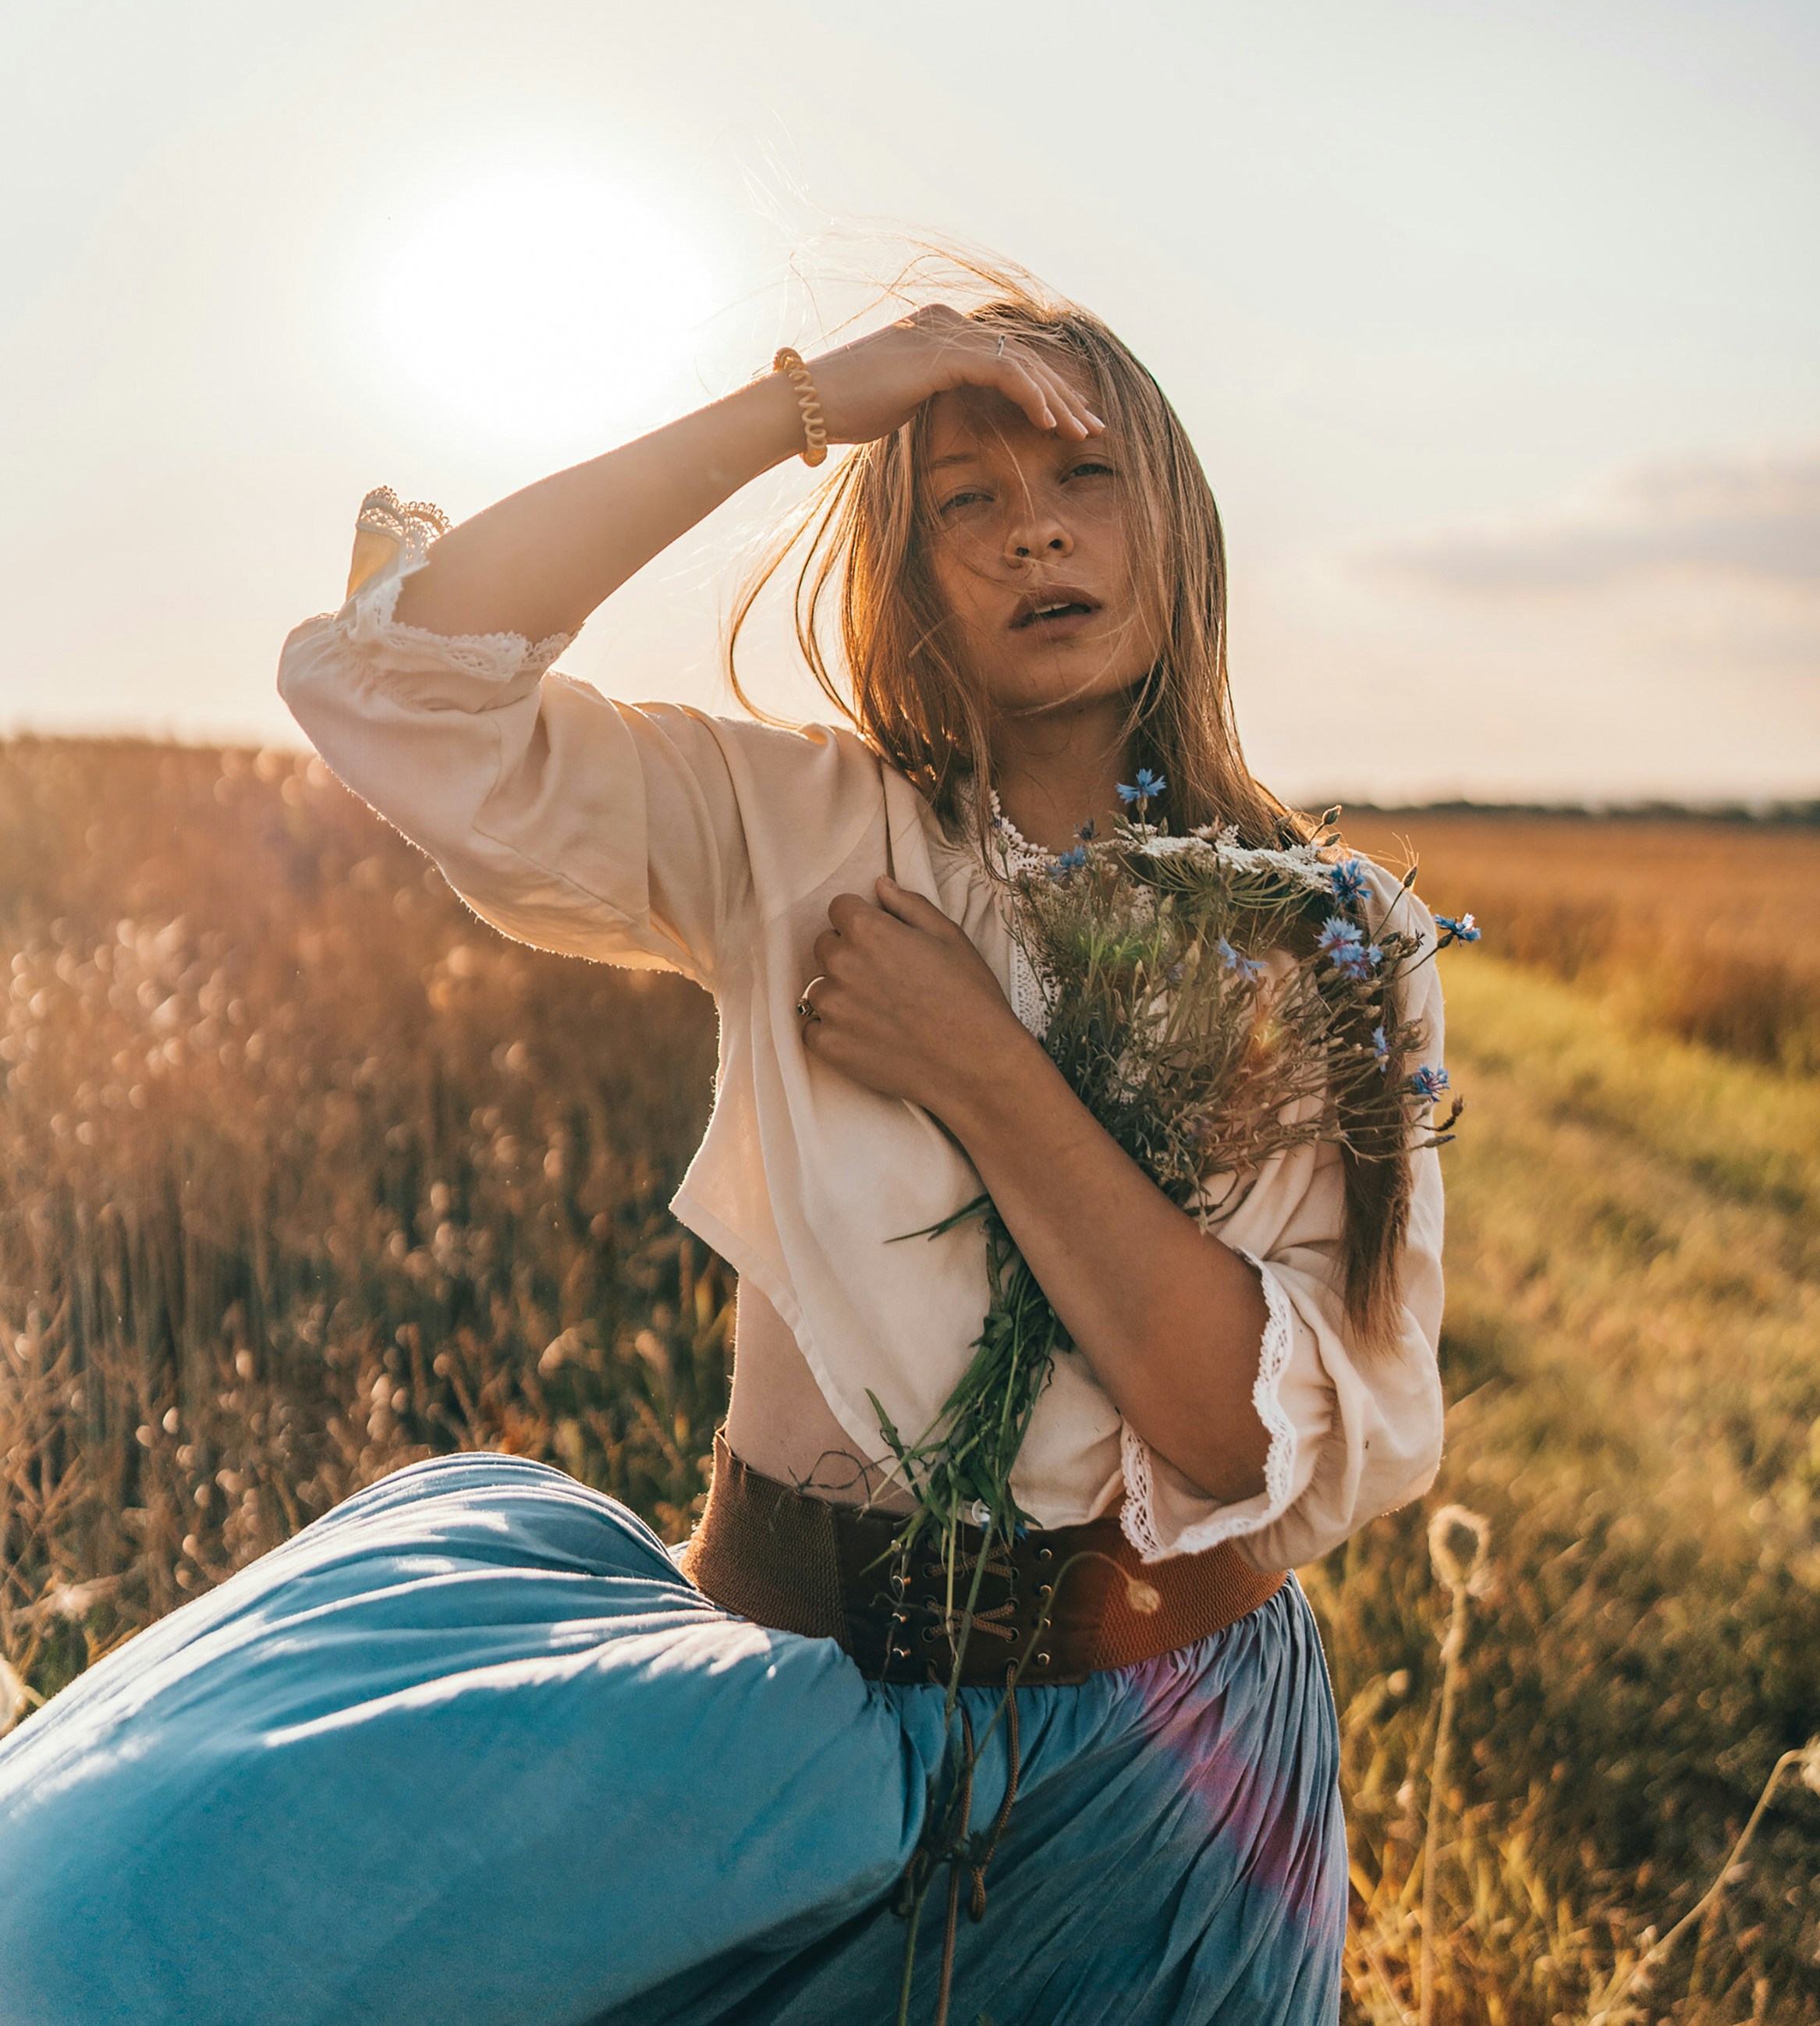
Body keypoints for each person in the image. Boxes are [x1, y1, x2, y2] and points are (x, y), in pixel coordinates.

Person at [0, 288, 1446, 2026]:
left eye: (1087, 470)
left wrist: (982, 1067)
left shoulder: (1328, 935)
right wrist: (805, 406)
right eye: (962, 501)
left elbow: (1235, 1430)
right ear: (907, 583)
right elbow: (399, 683)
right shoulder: (792, 826)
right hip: (767, 1738)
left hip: (1153, 1786)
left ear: (1178, 521)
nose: (1036, 527)